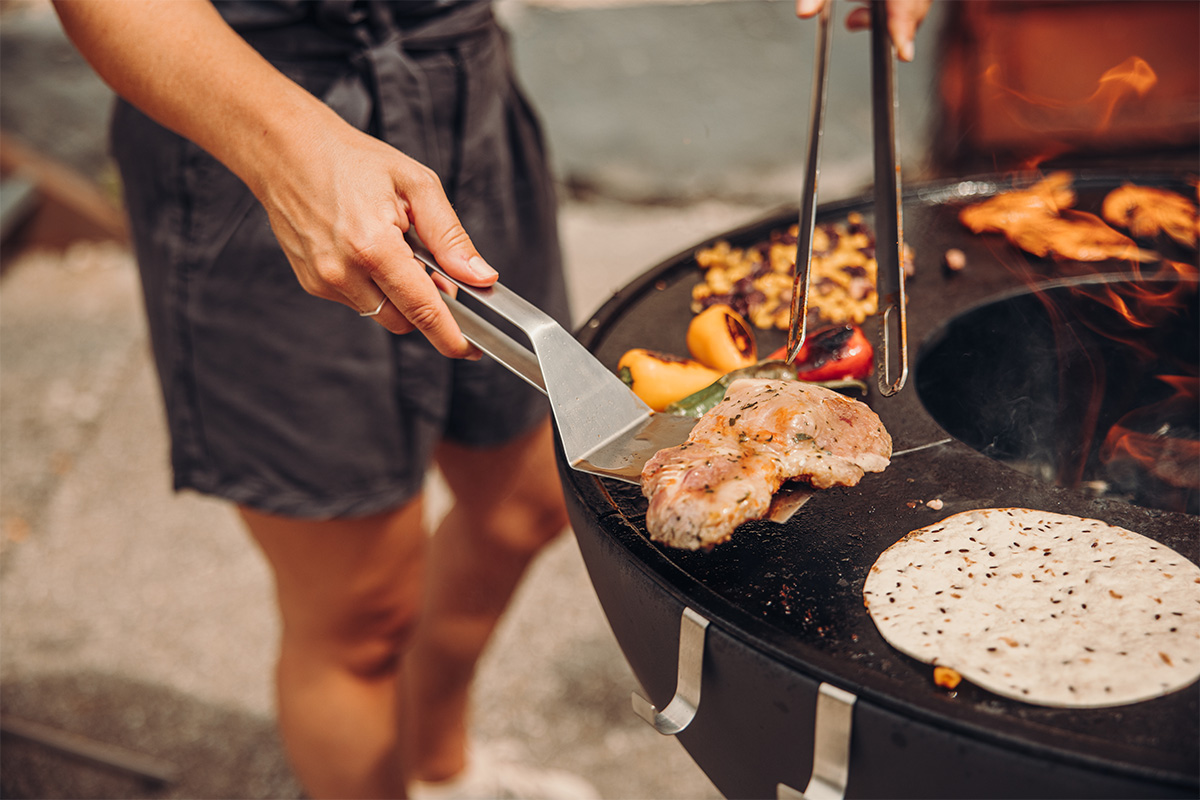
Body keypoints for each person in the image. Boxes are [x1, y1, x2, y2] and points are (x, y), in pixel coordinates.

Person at [52, 1, 930, 798]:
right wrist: (286, 152)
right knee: (360, 613)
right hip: (253, 113)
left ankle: (438, 769)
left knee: (520, 506)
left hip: (459, 80)